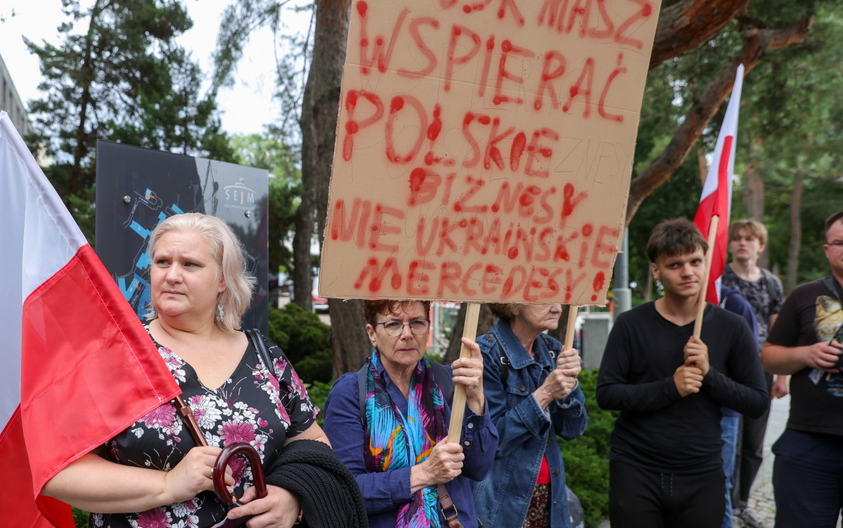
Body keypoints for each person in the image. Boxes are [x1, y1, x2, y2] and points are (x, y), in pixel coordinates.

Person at [42, 213, 330, 528]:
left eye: (190, 264)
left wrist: (293, 496)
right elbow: (57, 472)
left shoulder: (264, 354)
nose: (172, 275)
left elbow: (313, 444)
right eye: (162, 262)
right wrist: (167, 485)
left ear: (223, 279)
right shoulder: (113, 355)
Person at [596, 217, 768, 528]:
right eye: (675, 265)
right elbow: (607, 394)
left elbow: (756, 401)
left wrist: (709, 374)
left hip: (702, 472)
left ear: (705, 262)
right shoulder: (631, 324)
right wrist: (670, 387)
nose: (688, 272)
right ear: (656, 270)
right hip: (636, 469)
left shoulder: (732, 326)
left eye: (695, 261)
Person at [323, 299, 497, 528]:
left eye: (416, 322)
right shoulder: (350, 394)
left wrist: (476, 398)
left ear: (428, 327)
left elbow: (478, 467)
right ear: (372, 333)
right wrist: (424, 474)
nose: (407, 334)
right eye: (393, 324)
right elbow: (343, 491)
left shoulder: (448, 382)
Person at [472, 303, 587, 528]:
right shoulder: (485, 353)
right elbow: (491, 444)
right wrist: (544, 395)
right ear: (514, 305)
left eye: (559, 298)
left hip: (551, 498)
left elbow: (573, 430)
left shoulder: (555, 351)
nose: (557, 308)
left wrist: (570, 386)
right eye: (546, 299)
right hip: (502, 504)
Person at [762, 210, 843, 528]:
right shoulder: (804, 295)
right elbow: (769, 357)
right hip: (809, 442)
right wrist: (807, 354)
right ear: (827, 249)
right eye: (840, 242)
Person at [722, 219, 787, 524]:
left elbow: (779, 331)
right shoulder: (720, 279)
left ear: (760, 246)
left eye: (749, 238)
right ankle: (724, 501)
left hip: (761, 370)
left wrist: (782, 374)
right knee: (728, 439)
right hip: (727, 368)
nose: (742, 243)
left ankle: (743, 502)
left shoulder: (772, 283)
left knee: (753, 443)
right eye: (737, 238)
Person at [716, 285, 759, 528]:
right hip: (678, 413)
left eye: (696, 262)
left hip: (723, 412)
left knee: (720, 483)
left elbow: (749, 373)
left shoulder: (734, 304)